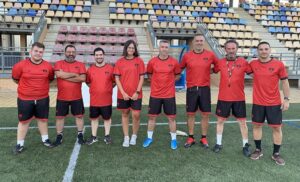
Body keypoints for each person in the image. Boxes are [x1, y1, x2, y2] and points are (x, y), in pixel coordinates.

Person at [249, 42, 290, 165]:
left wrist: (286, 99)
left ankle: (276, 153)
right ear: (257, 51)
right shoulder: (253, 64)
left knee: (276, 128)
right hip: (258, 102)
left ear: (270, 50)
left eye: (266, 49)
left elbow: (285, 82)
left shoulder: (278, 64)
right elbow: (248, 72)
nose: (263, 51)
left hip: (274, 103)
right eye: (261, 49)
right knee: (257, 126)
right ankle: (258, 150)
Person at [12, 42, 54, 154]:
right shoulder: (20, 65)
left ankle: (45, 139)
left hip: (43, 98)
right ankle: (19, 144)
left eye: (40, 52)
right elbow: (16, 79)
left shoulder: (48, 66)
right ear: (31, 51)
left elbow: (49, 79)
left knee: (43, 120)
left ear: (43, 53)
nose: (38, 54)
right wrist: (27, 89)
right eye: (36, 51)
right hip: (25, 99)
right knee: (23, 122)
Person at [212, 39, 250, 157]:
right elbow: (211, 71)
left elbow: (255, 73)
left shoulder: (243, 62)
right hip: (223, 98)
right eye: (229, 49)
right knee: (220, 121)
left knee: (242, 122)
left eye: (233, 49)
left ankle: (245, 145)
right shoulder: (220, 62)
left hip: (239, 98)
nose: (231, 51)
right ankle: (218, 143)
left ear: (237, 49)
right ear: (225, 49)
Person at [180, 34, 218, 148]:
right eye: (197, 41)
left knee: (205, 115)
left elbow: (217, 66)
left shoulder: (210, 55)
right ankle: (191, 137)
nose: (199, 42)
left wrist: (210, 71)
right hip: (191, 89)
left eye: (201, 40)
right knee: (190, 114)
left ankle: (204, 138)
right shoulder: (187, 56)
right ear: (193, 42)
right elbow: (179, 68)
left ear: (204, 42)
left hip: (205, 89)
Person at [142, 40, 181, 150]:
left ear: (169, 49)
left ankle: (173, 139)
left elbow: (178, 75)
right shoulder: (152, 62)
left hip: (169, 95)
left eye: (166, 47)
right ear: (159, 48)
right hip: (155, 95)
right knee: (151, 117)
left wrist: (169, 82)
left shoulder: (174, 62)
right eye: (162, 47)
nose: (164, 49)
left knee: (171, 118)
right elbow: (149, 75)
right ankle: (149, 138)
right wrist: (157, 82)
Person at [53, 45, 87, 146]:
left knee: (79, 117)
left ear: (75, 53)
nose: (71, 54)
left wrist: (65, 75)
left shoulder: (80, 64)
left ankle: (80, 135)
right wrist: (75, 74)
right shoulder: (59, 63)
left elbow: (82, 78)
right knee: (60, 117)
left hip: (77, 97)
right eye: (69, 52)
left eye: (73, 52)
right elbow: (59, 75)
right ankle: (59, 136)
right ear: (65, 53)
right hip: (62, 97)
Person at [114, 40, 145, 147]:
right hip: (123, 94)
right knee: (125, 113)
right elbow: (117, 78)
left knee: (136, 115)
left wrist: (137, 92)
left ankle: (134, 136)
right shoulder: (119, 62)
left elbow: (142, 78)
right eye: (129, 48)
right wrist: (123, 93)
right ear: (126, 49)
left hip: (136, 94)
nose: (131, 49)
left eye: (133, 48)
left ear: (135, 49)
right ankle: (126, 137)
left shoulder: (139, 61)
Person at [85, 47, 114, 145]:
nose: (99, 56)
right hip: (94, 100)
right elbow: (88, 82)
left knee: (107, 118)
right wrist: (96, 89)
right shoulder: (90, 70)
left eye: (100, 55)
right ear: (94, 56)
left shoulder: (110, 68)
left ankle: (107, 136)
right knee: (94, 119)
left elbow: (114, 82)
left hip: (107, 100)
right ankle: (94, 136)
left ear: (103, 55)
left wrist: (107, 89)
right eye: (97, 55)